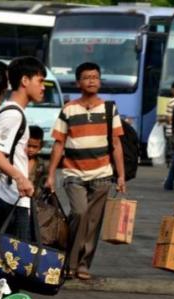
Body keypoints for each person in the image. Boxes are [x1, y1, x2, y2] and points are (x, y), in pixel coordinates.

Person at [45, 62, 126, 281]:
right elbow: (58, 144)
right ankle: (69, 261)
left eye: (95, 77)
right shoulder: (69, 109)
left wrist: (121, 175)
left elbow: (117, 144)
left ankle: (82, 264)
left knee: (93, 222)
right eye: (87, 77)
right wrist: (51, 175)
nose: (91, 80)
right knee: (79, 214)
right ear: (78, 82)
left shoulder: (109, 109)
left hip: (102, 174)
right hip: (74, 174)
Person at [0, 56, 46, 241]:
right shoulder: (13, 114)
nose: (43, 87)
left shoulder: (9, 110)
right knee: (13, 262)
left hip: (10, 196)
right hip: (9, 197)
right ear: (25, 81)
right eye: (40, 81)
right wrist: (20, 178)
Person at [27, 125, 47, 196]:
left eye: (34, 147)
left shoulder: (42, 165)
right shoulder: (14, 160)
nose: (31, 149)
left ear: (40, 147)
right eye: (28, 146)